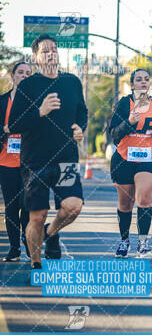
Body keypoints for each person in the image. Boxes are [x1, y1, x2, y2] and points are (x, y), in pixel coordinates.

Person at [9, 34, 87, 272]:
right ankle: (36, 263)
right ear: (35, 58)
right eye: (45, 51)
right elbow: (14, 125)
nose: (51, 53)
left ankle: (51, 234)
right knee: (36, 216)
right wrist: (40, 112)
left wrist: (79, 128)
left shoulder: (72, 82)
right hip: (36, 162)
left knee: (73, 206)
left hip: (66, 159)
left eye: (54, 49)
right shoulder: (28, 86)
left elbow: (82, 112)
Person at [108, 68, 152, 258]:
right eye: (139, 79)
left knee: (143, 198)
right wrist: (129, 121)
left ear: (150, 84)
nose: (143, 82)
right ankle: (124, 241)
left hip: (148, 157)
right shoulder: (124, 104)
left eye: (146, 79)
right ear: (132, 84)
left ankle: (143, 243)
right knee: (125, 204)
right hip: (124, 157)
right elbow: (114, 132)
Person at [0, 61, 32, 262]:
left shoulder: (37, 102)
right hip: (6, 162)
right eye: (21, 72)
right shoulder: (2, 102)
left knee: (27, 204)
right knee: (11, 205)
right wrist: (4, 132)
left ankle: (27, 239)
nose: (25, 76)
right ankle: (14, 248)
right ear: (13, 76)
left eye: (29, 73)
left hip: (30, 162)